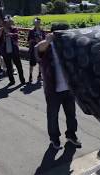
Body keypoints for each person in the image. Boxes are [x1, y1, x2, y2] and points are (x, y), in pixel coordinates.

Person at [35, 22, 81, 150]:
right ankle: (54, 138)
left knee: (71, 114)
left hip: (69, 88)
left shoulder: (69, 46)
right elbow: (38, 50)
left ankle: (71, 135)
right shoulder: (48, 46)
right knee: (52, 115)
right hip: (53, 89)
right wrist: (48, 40)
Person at [0, 15, 25, 86]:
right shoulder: (1, 30)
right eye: (5, 22)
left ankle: (22, 80)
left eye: (7, 22)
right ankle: (11, 81)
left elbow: (16, 36)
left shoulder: (13, 29)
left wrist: (10, 34)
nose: (6, 23)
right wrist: (0, 33)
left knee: (19, 66)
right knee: (9, 67)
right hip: (5, 51)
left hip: (14, 51)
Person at [27, 17, 45, 83]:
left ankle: (39, 75)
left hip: (40, 49)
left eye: (39, 22)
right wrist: (34, 40)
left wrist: (41, 39)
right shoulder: (31, 31)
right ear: (34, 23)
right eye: (37, 22)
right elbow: (28, 41)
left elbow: (45, 40)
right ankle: (30, 76)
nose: (38, 24)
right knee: (31, 64)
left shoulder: (42, 31)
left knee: (40, 63)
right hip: (33, 49)